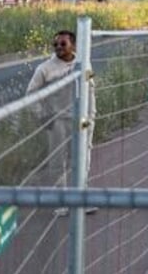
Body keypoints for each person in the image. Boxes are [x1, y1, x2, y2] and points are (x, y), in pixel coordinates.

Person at [25, 29, 97, 215]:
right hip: (58, 122)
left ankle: (81, 200)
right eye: (55, 44)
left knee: (82, 159)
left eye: (63, 44)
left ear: (73, 45)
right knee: (58, 163)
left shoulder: (83, 63)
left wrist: (91, 115)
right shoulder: (45, 69)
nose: (58, 47)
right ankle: (63, 203)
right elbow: (30, 94)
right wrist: (41, 115)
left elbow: (90, 90)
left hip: (82, 120)